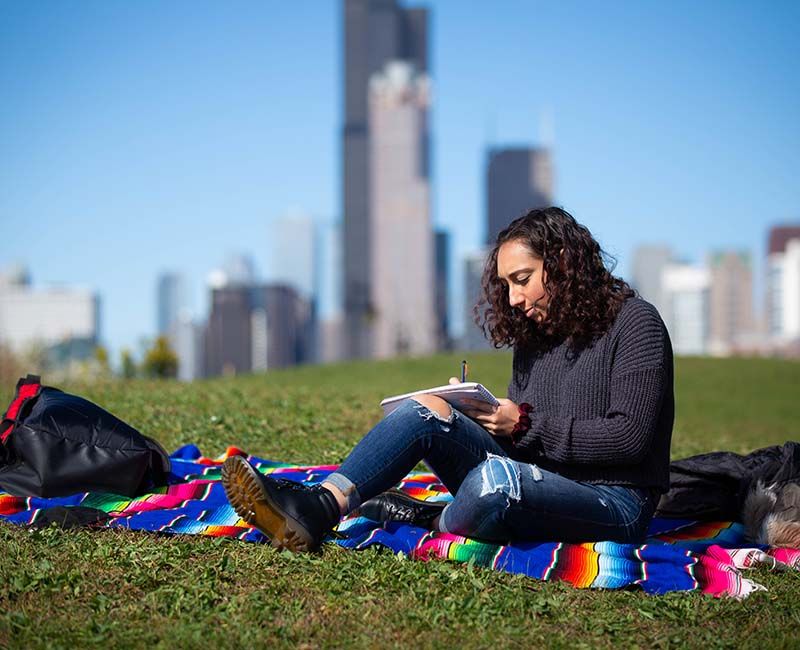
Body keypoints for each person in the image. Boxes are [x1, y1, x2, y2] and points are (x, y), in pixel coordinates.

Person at [222, 206, 674, 552]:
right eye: (506, 286)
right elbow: (525, 443)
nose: (514, 299)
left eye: (522, 279)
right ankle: (319, 507)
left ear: (561, 262)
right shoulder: (535, 337)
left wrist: (523, 425)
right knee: (427, 410)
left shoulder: (637, 324)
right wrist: (476, 415)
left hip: (614, 502)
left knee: (496, 482)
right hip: (538, 477)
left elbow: (630, 439)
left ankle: (431, 520)